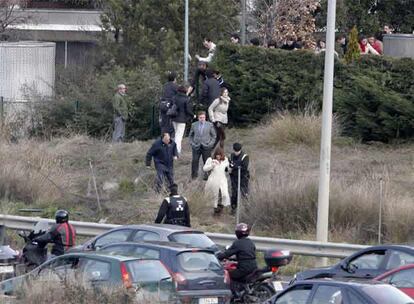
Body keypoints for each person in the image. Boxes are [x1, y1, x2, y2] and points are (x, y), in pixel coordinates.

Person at [189, 111, 216, 180]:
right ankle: (194, 176)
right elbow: (190, 136)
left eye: (203, 117)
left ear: (205, 117)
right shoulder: (194, 125)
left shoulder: (209, 125)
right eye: (200, 118)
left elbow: (214, 136)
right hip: (196, 146)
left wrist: (210, 144)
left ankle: (207, 176)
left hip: (206, 146)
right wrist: (192, 143)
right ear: (198, 118)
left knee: (207, 161)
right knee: (195, 161)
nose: (202, 119)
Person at [203, 148, 230, 214]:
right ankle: (214, 211)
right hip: (213, 179)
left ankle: (221, 209)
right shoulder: (211, 160)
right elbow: (204, 168)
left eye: (219, 155)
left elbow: (228, 168)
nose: (218, 156)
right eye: (217, 155)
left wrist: (230, 167)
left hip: (222, 179)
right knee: (214, 195)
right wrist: (212, 166)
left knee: (224, 194)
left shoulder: (225, 160)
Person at [171, 85, 194, 154]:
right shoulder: (186, 99)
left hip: (174, 118)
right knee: (179, 135)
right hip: (182, 119)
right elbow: (188, 110)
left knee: (176, 134)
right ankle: (177, 151)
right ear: (185, 91)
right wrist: (193, 115)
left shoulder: (174, 97)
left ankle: (177, 149)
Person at [229, 143, 250, 213]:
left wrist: (234, 166)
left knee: (244, 193)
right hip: (234, 177)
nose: (236, 152)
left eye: (237, 151)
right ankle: (233, 209)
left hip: (243, 178)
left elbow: (244, 167)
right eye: (235, 151)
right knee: (234, 194)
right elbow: (230, 164)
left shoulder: (245, 156)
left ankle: (247, 210)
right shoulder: (231, 155)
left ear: (240, 150)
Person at [159, 71, 178, 137]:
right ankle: (170, 138)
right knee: (171, 124)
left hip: (163, 105)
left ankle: (163, 137)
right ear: (174, 79)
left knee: (164, 123)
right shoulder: (175, 86)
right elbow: (177, 96)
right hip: (170, 106)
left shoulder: (164, 85)